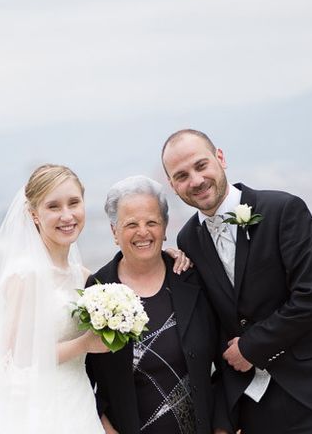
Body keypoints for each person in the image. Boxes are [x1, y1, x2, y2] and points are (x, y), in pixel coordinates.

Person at [161, 130, 312, 434]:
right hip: (256, 411)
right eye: (181, 175)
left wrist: (251, 347)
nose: (195, 180)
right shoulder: (188, 239)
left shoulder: (283, 210)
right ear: (172, 185)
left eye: (201, 165)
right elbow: (215, 324)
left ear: (220, 158)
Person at [0, 164, 190, 433]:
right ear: (34, 215)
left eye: (73, 203)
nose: (67, 215)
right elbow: (17, 358)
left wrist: (167, 254)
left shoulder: (84, 278)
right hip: (38, 409)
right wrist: (85, 344)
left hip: (78, 403)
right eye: (54, 207)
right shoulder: (25, 276)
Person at [85, 175, 227, 434]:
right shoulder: (96, 290)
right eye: (131, 224)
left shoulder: (192, 279)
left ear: (164, 228)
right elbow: (83, 382)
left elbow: (224, 362)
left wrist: (222, 429)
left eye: (152, 222)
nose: (143, 232)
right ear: (114, 231)